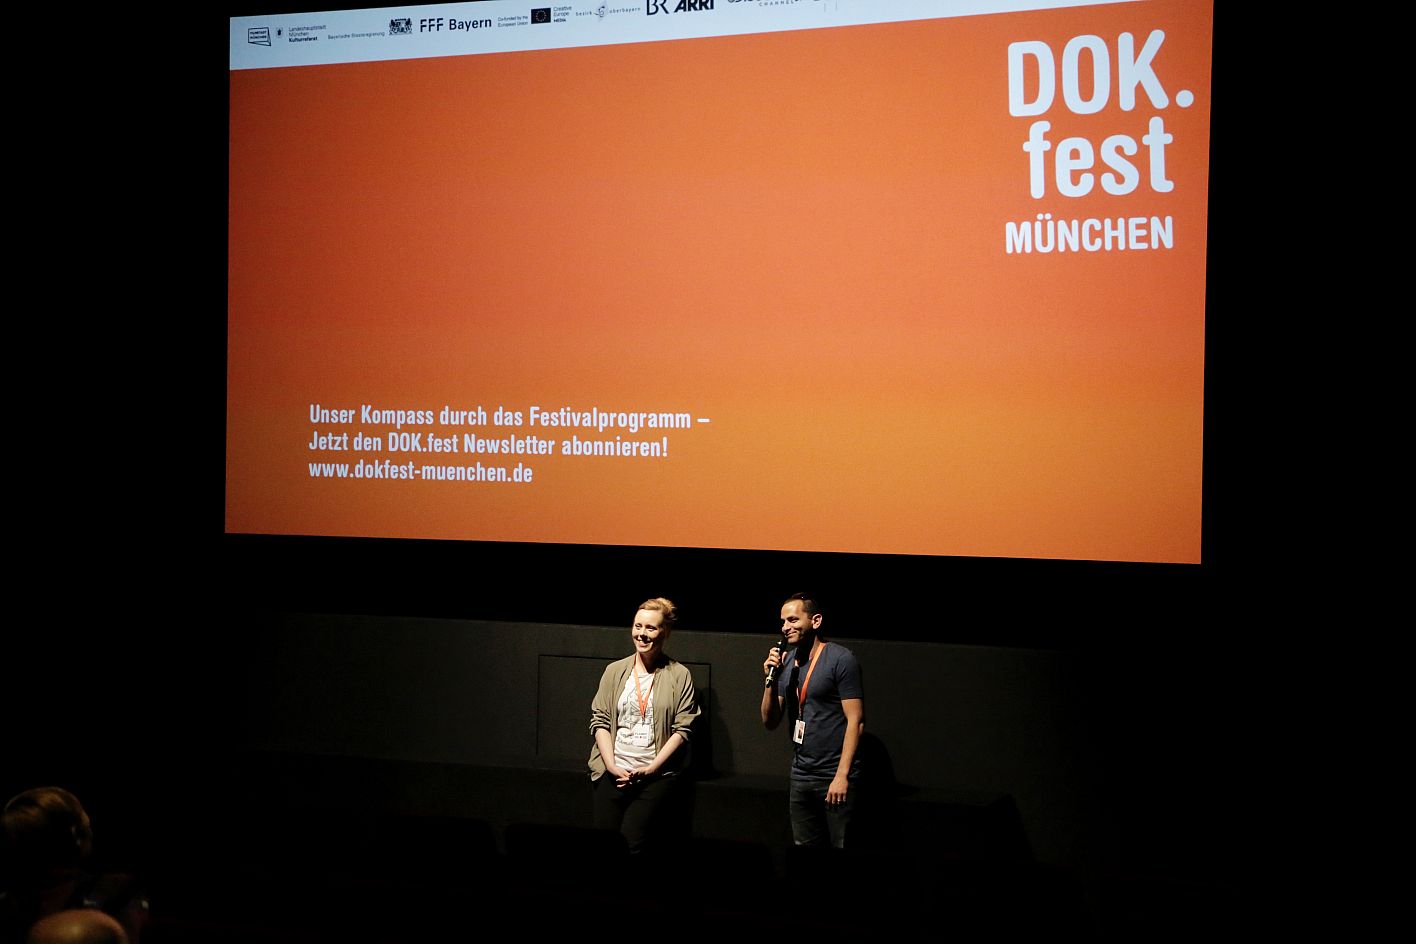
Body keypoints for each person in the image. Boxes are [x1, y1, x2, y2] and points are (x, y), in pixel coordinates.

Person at [588, 597, 700, 855]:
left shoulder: (679, 674)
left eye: (651, 627)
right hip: (612, 774)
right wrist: (611, 766)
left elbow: (683, 729)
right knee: (603, 846)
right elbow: (600, 721)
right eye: (638, 626)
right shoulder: (614, 671)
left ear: (665, 632)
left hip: (655, 778)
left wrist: (651, 769)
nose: (642, 634)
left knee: (633, 845)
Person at [761, 592, 864, 848]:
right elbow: (770, 721)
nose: (786, 627)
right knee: (805, 855)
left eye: (793, 620)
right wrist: (770, 681)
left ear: (815, 621)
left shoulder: (841, 659)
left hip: (834, 775)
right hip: (801, 775)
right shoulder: (786, 663)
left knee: (842, 848)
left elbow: (856, 721)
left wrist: (842, 776)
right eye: (783, 622)